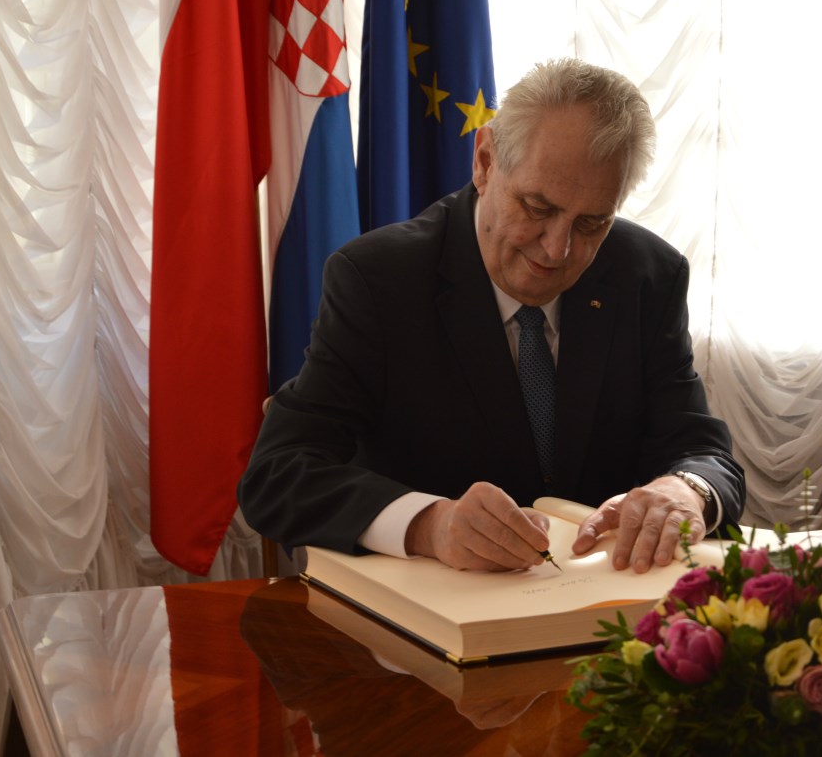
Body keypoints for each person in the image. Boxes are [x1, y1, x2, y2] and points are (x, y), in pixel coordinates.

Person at [239, 58, 745, 574]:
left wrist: (686, 490)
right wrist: (429, 524)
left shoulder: (646, 275)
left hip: (602, 603)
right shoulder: (379, 280)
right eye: (538, 207)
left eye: (591, 223)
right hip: (432, 609)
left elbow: (701, 451)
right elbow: (278, 475)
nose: (557, 249)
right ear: (484, 162)